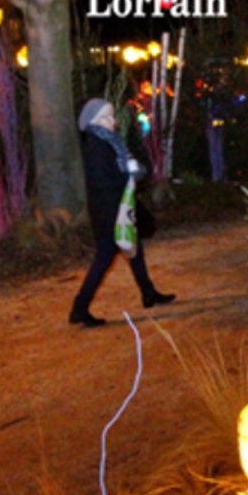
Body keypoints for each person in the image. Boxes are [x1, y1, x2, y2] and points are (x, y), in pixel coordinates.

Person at [69, 98, 175, 327]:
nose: (112, 120)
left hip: (118, 207)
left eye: (112, 115)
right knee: (105, 257)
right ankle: (79, 308)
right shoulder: (97, 146)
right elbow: (101, 181)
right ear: (93, 121)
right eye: (106, 117)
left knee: (134, 249)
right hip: (109, 211)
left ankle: (148, 292)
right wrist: (128, 175)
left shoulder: (109, 141)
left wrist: (132, 172)